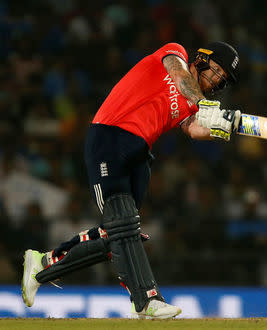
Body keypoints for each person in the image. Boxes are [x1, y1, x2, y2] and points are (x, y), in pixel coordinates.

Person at [21, 41, 241, 319]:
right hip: (109, 137)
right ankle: (148, 301)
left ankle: (42, 264)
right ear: (202, 59)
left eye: (223, 78)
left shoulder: (194, 104)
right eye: (218, 70)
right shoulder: (176, 55)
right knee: (123, 225)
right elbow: (180, 75)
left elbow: (196, 129)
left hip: (139, 152)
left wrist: (225, 126)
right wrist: (205, 105)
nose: (218, 79)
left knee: (120, 231)